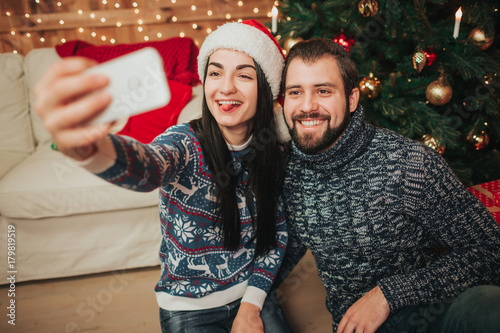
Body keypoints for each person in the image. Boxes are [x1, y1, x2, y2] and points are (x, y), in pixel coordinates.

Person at [34, 20, 292, 333]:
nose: (226, 87)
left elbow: (275, 237)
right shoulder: (183, 142)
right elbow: (148, 167)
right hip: (189, 308)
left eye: (244, 75)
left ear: (265, 88)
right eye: (215, 72)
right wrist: (89, 149)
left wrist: (251, 305)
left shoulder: (272, 154)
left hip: (253, 294)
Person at [276, 37, 500, 333]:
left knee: (490, 306)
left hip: (436, 316)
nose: (307, 106)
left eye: (323, 90)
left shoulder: (409, 163)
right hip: (357, 328)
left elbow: (491, 252)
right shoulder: (290, 170)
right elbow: (282, 250)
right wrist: (244, 303)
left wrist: (388, 295)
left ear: (352, 98)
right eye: (295, 92)